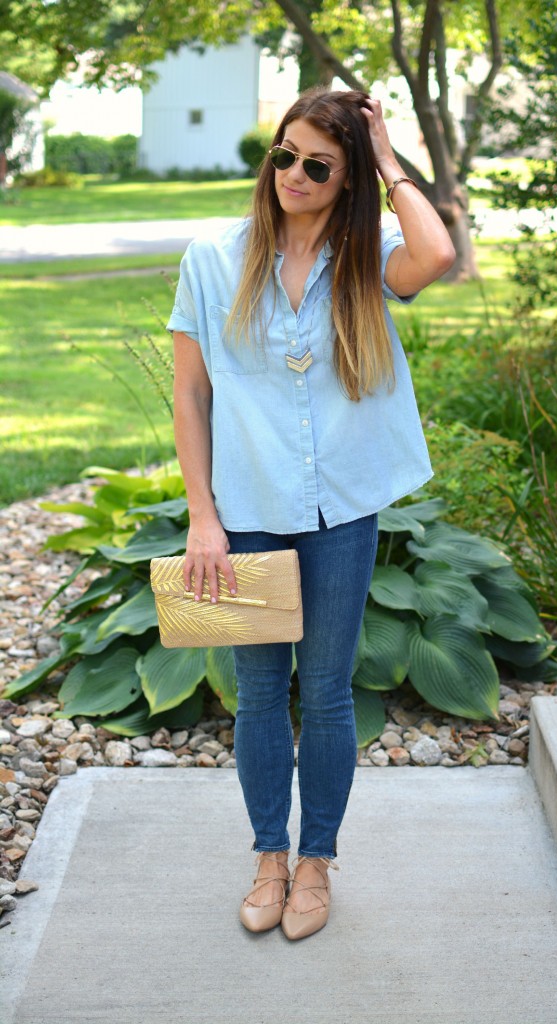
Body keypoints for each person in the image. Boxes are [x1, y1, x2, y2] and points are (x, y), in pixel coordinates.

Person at [167, 87, 455, 941]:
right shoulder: (214, 254)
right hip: (248, 505)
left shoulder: (367, 251)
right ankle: (267, 856)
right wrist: (202, 516)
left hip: (341, 508)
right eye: (283, 156)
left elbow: (434, 256)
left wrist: (389, 160)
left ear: (347, 177)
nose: (293, 174)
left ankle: (317, 861)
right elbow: (189, 392)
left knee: (325, 693)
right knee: (260, 693)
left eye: (317, 165)